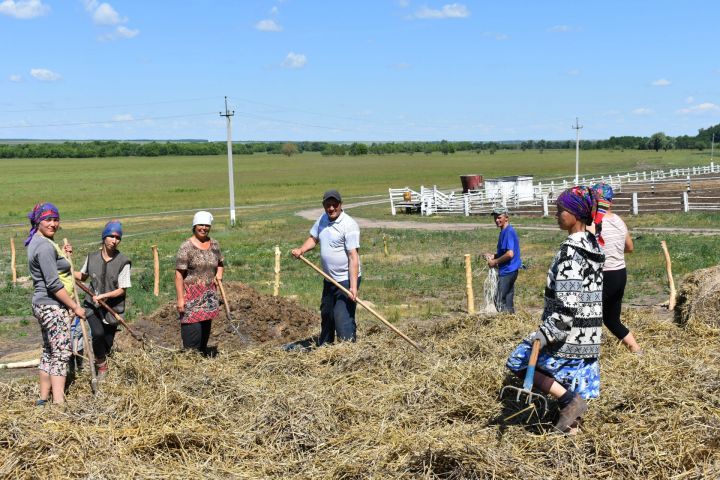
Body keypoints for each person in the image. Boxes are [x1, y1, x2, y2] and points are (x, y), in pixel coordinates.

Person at [505, 186, 605, 434]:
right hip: (590, 332)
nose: (556, 215)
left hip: (568, 334)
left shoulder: (570, 251)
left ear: (575, 214)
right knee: (573, 382)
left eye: (561, 210)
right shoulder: (593, 246)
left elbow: (567, 306)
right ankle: (572, 434)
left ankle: (567, 400)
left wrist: (547, 333)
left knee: (518, 360)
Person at [25, 202, 86, 405]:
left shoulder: (41, 241)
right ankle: (58, 403)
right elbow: (53, 283)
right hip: (52, 304)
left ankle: (43, 399)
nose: (53, 224)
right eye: (48, 220)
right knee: (61, 353)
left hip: (43, 304)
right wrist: (75, 306)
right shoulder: (43, 247)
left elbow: (56, 265)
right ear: (38, 221)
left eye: (56, 219)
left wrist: (64, 253)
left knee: (49, 350)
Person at [291, 189, 361, 346]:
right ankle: (325, 348)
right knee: (327, 314)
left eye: (334, 205)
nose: (331, 209)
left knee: (342, 317)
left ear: (340, 205)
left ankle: (348, 350)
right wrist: (301, 250)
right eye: (327, 205)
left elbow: (353, 256)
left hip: (345, 280)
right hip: (329, 279)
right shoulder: (322, 219)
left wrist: (353, 287)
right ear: (324, 206)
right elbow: (313, 238)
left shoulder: (349, 225)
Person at [74, 220, 131, 378]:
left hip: (112, 308)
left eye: (118, 237)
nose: (114, 240)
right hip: (92, 304)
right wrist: (68, 269)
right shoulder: (92, 257)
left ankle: (102, 359)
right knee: (97, 334)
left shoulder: (123, 262)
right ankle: (101, 366)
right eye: (111, 236)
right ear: (104, 237)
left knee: (107, 343)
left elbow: (122, 289)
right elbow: (83, 276)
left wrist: (104, 296)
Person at [591, 183, 642, 354]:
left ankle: (586, 353)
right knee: (612, 320)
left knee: (589, 316)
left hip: (605, 275)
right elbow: (630, 247)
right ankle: (636, 350)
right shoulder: (619, 220)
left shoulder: (595, 224)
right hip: (620, 274)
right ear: (611, 201)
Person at [175, 211, 224, 354]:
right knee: (192, 339)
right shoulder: (186, 247)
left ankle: (201, 360)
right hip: (191, 299)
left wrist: (219, 274)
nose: (203, 228)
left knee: (204, 336)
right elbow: (179, 275)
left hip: (208, 297)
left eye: (207, 225)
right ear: (194, 226)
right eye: (200, 225)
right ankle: (189, 364)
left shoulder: (214, 244)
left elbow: (220, 262)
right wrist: (180, 299)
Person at [484, 206, 522, 313]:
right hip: (512, 270)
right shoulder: (504, 231)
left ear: (506, 218)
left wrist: (494, 262)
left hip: (507, 271)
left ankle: (505, 322)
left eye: (499, 217)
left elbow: (510, 254)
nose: (497, 220)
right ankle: (511, 322)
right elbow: (505, 251)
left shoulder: (508, 232)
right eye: (495, 218)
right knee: (508, 299)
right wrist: (494, 256)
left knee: (499, 300)